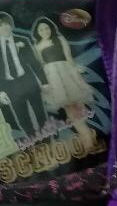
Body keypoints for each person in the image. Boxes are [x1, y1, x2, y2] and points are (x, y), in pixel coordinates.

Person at [31, 17, 95, 150]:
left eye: (47, 28)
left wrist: (76, 73)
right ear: (37, 32)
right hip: (52, 76)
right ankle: (85, 137)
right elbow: (41, 64)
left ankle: (88, 135)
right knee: (69, 108)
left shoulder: (60, 39)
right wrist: (45, 82)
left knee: (79, 105)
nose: (45, 31)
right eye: (41, 29)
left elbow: (68, 57)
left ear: (51, 28)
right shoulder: (37, 46)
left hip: (66, 71)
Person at [0, 11, 47, 136]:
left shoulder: (23, 40)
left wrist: (44, 82)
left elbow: (34, 62)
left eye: (7, 24)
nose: (4, 27)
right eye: (0, 25)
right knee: (22, 118)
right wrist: (0, 91)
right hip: (11, 87)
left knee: (40, 113)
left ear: (11, 25)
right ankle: (34, 141)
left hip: (29, 81)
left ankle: (48, 139)